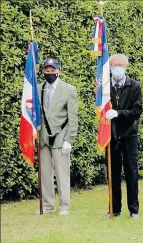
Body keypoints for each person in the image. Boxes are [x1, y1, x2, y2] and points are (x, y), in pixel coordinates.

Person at [38, 58, 78, 215]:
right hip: (43, 138)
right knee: (45, 173)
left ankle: (64, 205)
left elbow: (73, 118)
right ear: (43, 72)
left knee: (62, 173)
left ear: (58, 71)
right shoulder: (38, 89)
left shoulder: (69, 89)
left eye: (52, 70)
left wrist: (70, 139)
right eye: (46, 71)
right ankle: (48, 205)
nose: (50, 73)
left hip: (61, 137)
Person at [105, 54, 143, 219]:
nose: (117, 68)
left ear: (126, 67)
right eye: (114, 65)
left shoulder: (134, 86)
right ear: (110, 67)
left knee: (131, 173)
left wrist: (118, 113)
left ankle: (134, 210)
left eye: (121, 65)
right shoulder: (105, 87)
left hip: (129, 135)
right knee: (113, 174)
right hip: (111, 136)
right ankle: (114, 209)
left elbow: (137, 111)